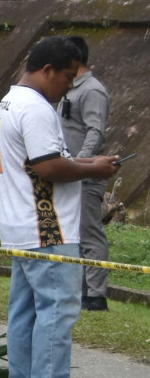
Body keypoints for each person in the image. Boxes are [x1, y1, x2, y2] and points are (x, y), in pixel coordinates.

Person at [0, 37, 120, 378]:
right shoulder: (34, 108)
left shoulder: (11, 100)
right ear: (46, 70)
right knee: (58, 310)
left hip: (20, 225)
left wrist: (88, 163)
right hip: (48, 229)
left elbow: (42, 159)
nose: (69, 87)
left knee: (26, 312)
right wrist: (93, 169)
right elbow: (48, 167)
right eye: (66, 77)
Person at [61, 36, 112, 311]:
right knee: (74, 233)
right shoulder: (69, 88)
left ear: (73, 59)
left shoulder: (92, 90)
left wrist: (79, 165)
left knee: (89, 232)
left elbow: (96, 131)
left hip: (85, 173)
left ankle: (96, 294)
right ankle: (81, 290)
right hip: (70, 173)